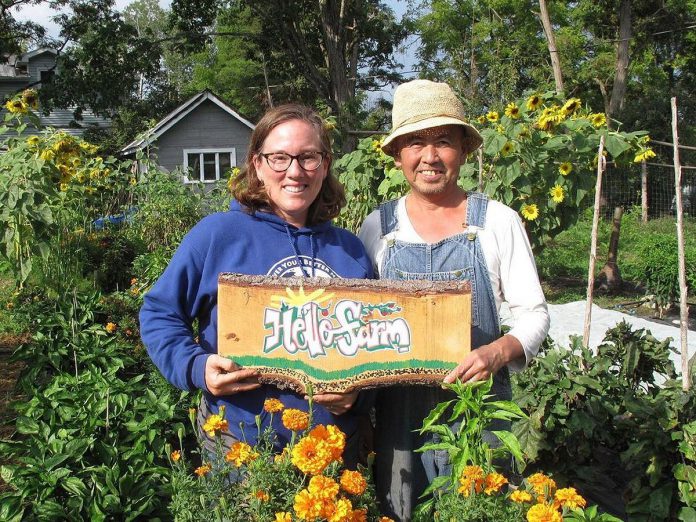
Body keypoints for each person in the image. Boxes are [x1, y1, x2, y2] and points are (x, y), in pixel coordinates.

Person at [358, 79, 550, 520]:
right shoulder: (377, 229)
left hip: (479, 414)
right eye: (415, 143)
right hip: (397, 424)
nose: (429, 156)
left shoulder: (497, 222)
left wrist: (497, 351)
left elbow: (534, 313)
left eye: (443, 141)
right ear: (397, 155)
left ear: (463, 149)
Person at [140, 104, 373, 466]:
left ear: (325, 166)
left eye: (309, 157)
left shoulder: (350, 250)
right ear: (258, 165)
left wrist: (358, 396)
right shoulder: (218, 235)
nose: (295, 171)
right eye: (279, 158)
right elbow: (160, 312)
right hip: (243, 447)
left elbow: (376, 348)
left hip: (334, 452)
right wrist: (195, 367)